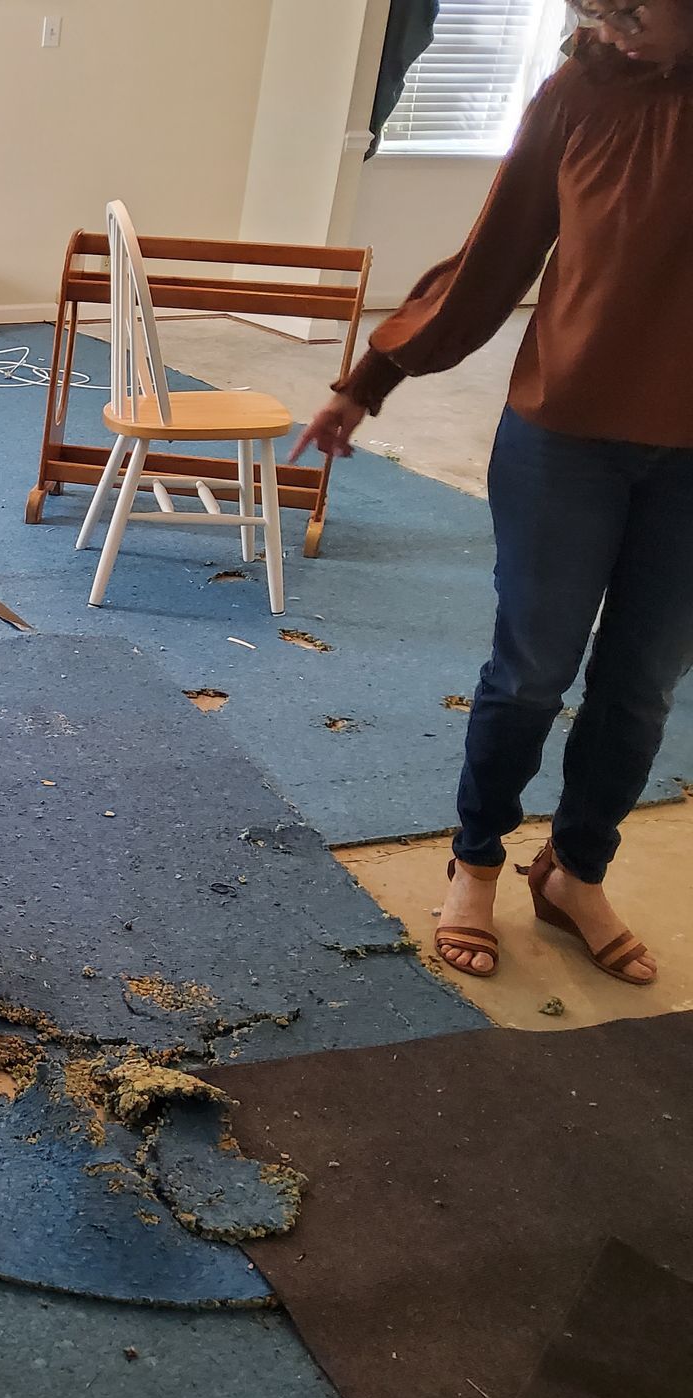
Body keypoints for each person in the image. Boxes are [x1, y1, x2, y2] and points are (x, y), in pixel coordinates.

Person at [293, 1, 693, 986]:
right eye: (595, 7)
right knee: (531, 675)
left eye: (632, 7)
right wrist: (370, 380)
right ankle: (475, 862)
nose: (611, 24)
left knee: (641, 687)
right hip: (564, 438)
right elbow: (494, 255)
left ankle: (576, 874)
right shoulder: (578, 94)